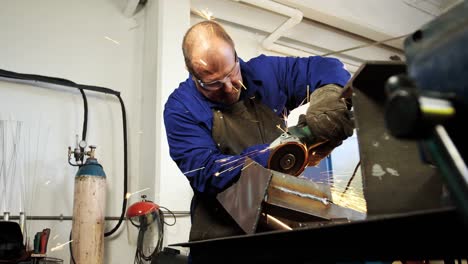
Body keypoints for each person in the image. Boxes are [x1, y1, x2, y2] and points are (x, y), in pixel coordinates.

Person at [163, 20, 353, 244]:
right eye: (214, 84)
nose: (229, 87)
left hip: (278, 219)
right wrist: (270, 154)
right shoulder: (181, 108)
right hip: (224, 237)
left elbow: (325, 67)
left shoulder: (264, 72)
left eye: (232, 73)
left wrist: (330, 96)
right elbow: (207, 172)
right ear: (193, 75)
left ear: (235, 54)